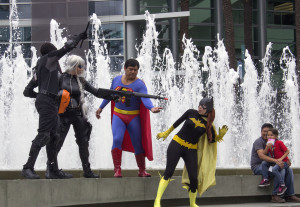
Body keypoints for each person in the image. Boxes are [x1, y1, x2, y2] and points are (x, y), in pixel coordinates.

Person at [22, 32, 87, 179]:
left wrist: (39, 95)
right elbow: (66, 48)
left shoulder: (41, 69)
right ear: (51, 53)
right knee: (44, 134)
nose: (57, 57)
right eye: (55, 53)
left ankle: (53, 170)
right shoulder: (48, 59)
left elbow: (27, 91)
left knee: (54, 136)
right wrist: (79, 38)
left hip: (50, 101)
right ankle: (28, 167)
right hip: (47, 101)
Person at [48, 55, 120, 178]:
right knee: (57, 142)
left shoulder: (81, 80)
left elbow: (96, 92)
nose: (82, 69)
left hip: (77, 115)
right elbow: (51, 94)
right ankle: (51, 170)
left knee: (84, 142)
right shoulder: (60, 78)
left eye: (83, 66)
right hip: (63, 116)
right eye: (80, 66)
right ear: (74, 66)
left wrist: (113, 95)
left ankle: (87, 171)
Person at [154, 98, 228, 207]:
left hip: (191, 149)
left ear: (208, 110)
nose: (200, 107)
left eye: (203, 107)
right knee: (169, 172)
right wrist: (166, 133)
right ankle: (157, 200)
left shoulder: (208, 124)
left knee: (194, 178)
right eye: (199, 105)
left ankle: (192, 203)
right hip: (177, 144)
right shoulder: (191, 112)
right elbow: (177, 123)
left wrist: (220, 136)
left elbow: (211, 140)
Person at [95, 59, 162, 177]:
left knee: (138, 144)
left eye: (135, 70)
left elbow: (145, 99)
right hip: (118, 115)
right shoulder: (116, 80)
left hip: (133, 117)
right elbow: (109, 95)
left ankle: (142, 170)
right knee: (117, 139)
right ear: (125, 68)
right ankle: (117, 169)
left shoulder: (140, 84)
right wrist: (101, 108)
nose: (133, 72)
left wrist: (151, 108)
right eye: (130, 69)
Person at [250, 123, 300, 203]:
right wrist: (277, 161)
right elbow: (262, 156)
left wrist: (285, 161)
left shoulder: (275, 142)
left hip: (271, 164)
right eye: (264, 131)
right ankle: (275, 195)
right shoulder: (259, 141)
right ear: (261, 132)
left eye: (268, 133)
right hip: (259, 167)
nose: (266, 134)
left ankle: (290, 195)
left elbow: (279, 154)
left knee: (289, 170)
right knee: (281, 170)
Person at [264, 128, 290, 195]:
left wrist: (281, 159)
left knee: (274, 169)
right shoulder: (269, 144)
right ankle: (265, 179)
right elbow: (264, 153)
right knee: (266, 165)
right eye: (268, 135)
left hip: (284, 162)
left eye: (271, 135)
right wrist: (267, 147)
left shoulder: (279, 142)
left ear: (276, 136)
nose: (269, 136)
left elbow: (287, 151)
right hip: (277, 162)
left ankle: (282, 185)